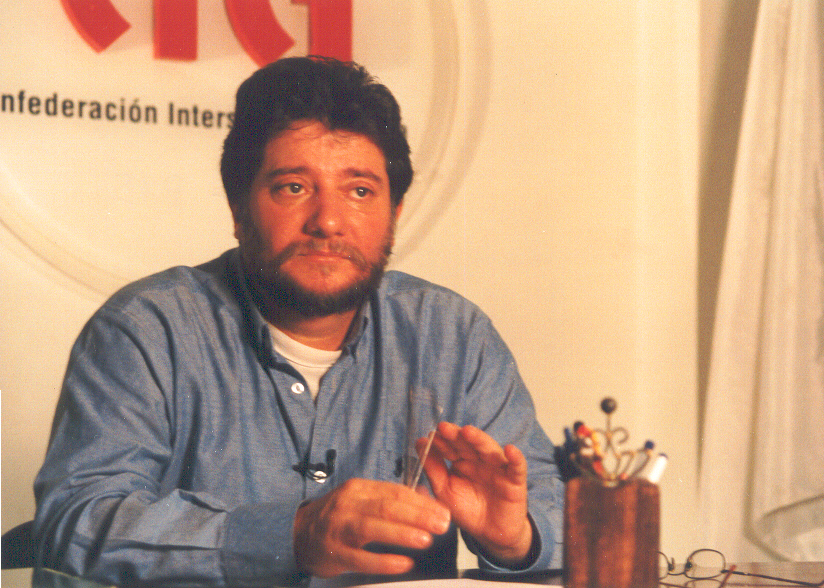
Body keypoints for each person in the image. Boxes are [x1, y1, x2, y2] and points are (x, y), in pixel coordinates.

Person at [33, 57, 562, 587]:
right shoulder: (148, 330)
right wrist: (289, 535)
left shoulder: (452, 336)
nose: (327, 221)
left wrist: (516, 539)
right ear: (238, 207)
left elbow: (556, 508)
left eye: (360, 191)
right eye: (293, 187)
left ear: (394, 214)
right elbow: (76, 522)